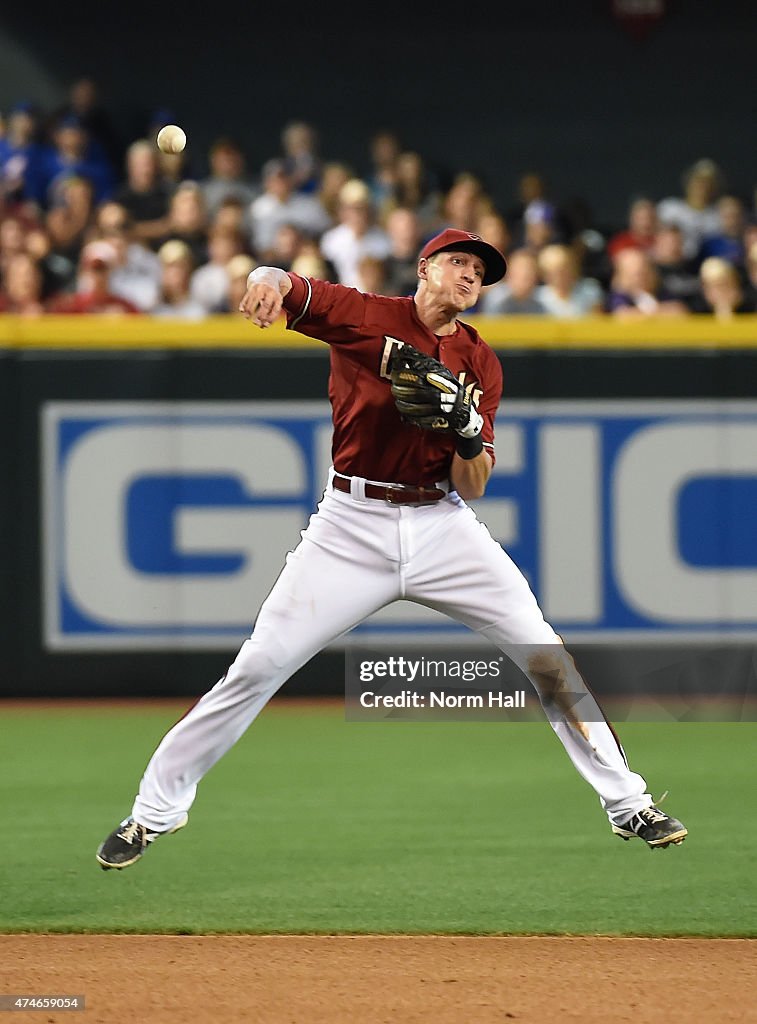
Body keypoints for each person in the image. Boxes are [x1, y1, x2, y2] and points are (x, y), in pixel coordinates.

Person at [96, 226, 688, 871]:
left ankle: (629, 802)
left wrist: (465, 432)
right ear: (424, 267)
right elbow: (289, 285)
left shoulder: (481, 362)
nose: (469, 276)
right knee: (257, 666)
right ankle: (151, 813)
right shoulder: (369, 316)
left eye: (480, 271)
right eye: (457, 262)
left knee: (546, 657)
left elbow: (476, 482)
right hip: (349, 524)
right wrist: (263, 279)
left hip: (442, 523)